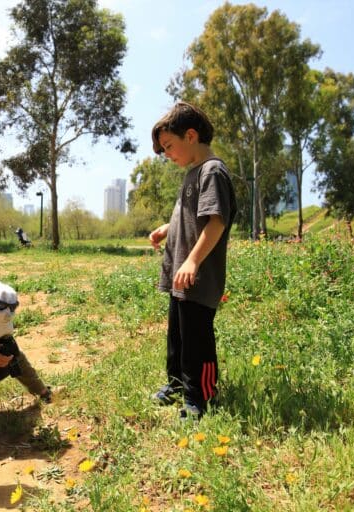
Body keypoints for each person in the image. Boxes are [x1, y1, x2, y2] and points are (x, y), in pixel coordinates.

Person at [148, 102, 236, 419]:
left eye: (169, 146)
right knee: (178, 335)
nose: (167, 154)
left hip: (197, 276)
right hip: (181, 275)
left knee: (197, 339)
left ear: (190, 135)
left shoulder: (213, 171)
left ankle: (200, 395)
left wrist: (193, 261)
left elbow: (216, 221)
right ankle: (177, 383)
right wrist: (167, 228)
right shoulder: (193, 174)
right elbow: (192, 217)